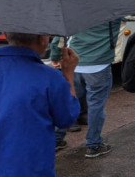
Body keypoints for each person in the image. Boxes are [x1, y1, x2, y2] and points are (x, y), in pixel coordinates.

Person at [0, 32, 81, 176]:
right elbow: (68, 118)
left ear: (7, 36)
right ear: (42, 39)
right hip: (26, 169)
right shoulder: (49, 78)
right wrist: (68, 74)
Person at [50, 20, 121, 158]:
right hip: (99, 66)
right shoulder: (112, 10)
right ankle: (94, 145)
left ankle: (57, 139)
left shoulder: (77, 9)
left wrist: (55, 56)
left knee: (68, 100)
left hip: (74, 62)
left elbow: (59, 38)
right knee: (96, 106)